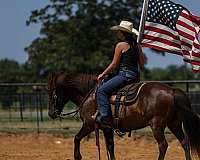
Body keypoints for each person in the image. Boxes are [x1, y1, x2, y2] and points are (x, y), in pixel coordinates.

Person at [96, 20, 145, 128]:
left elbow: (114, 65)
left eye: (118, 31)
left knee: (101, 91)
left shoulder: (121, 45)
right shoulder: (137, 45)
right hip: (135, 77)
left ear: (123, 33)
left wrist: (102, 74)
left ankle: (105, 117)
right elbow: (142, 63)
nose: (117, 33)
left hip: (124, 76)